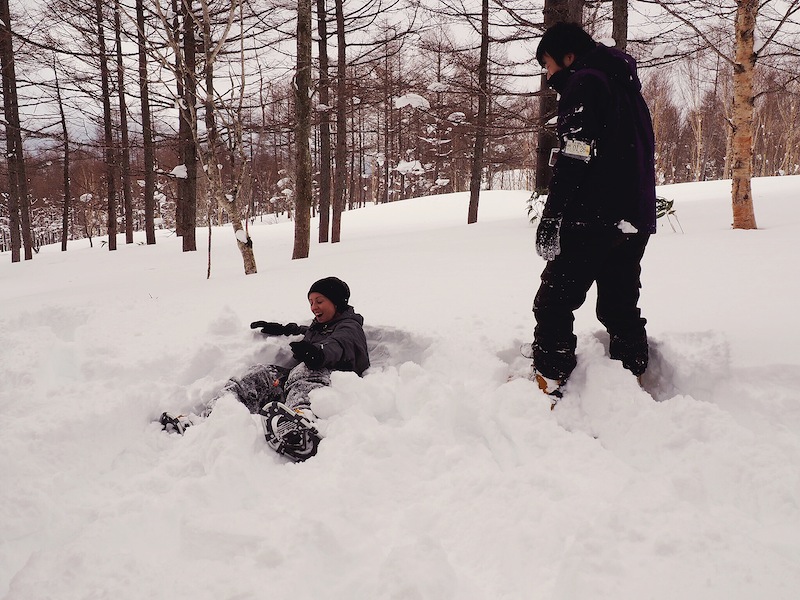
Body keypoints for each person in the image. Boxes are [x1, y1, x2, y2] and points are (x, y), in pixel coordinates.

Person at [530, 22, 657, 404]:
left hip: (593, 218)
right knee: (619, 303)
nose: (548, 74)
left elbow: (576, 152)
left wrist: (553, 215)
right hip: (633, 217)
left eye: (548, 64)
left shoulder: (584, 82)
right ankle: (631, 376)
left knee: (554, 301)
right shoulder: (625, 86)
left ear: (568, 57)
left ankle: (549, 379)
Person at [161, 276, 369, 459]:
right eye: (311, 302)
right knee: (259, 375)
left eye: (320, 301)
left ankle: (302, 420)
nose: (314, 307)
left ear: (337, 303)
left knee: (304, 370)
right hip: (303, 377)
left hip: (330, 380)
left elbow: (339, 344)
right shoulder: (321, 324)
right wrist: (282, 328)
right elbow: (306, 330)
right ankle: (212, 416)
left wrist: (318, 353)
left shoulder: (349, 327)